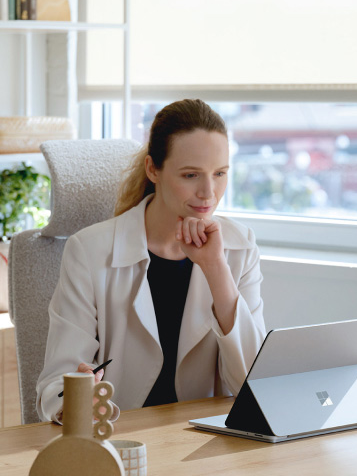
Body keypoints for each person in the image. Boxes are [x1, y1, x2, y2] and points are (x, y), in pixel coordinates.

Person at [36, 99, 267, 422]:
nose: (208, 192)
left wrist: (216, 269)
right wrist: (79, 398)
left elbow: (255, 386)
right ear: (153, 169)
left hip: (206, 448)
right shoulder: (88, 251)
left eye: (220, 174)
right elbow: (56, 387)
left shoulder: (239, 247)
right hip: (122, 442)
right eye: (190, 175)